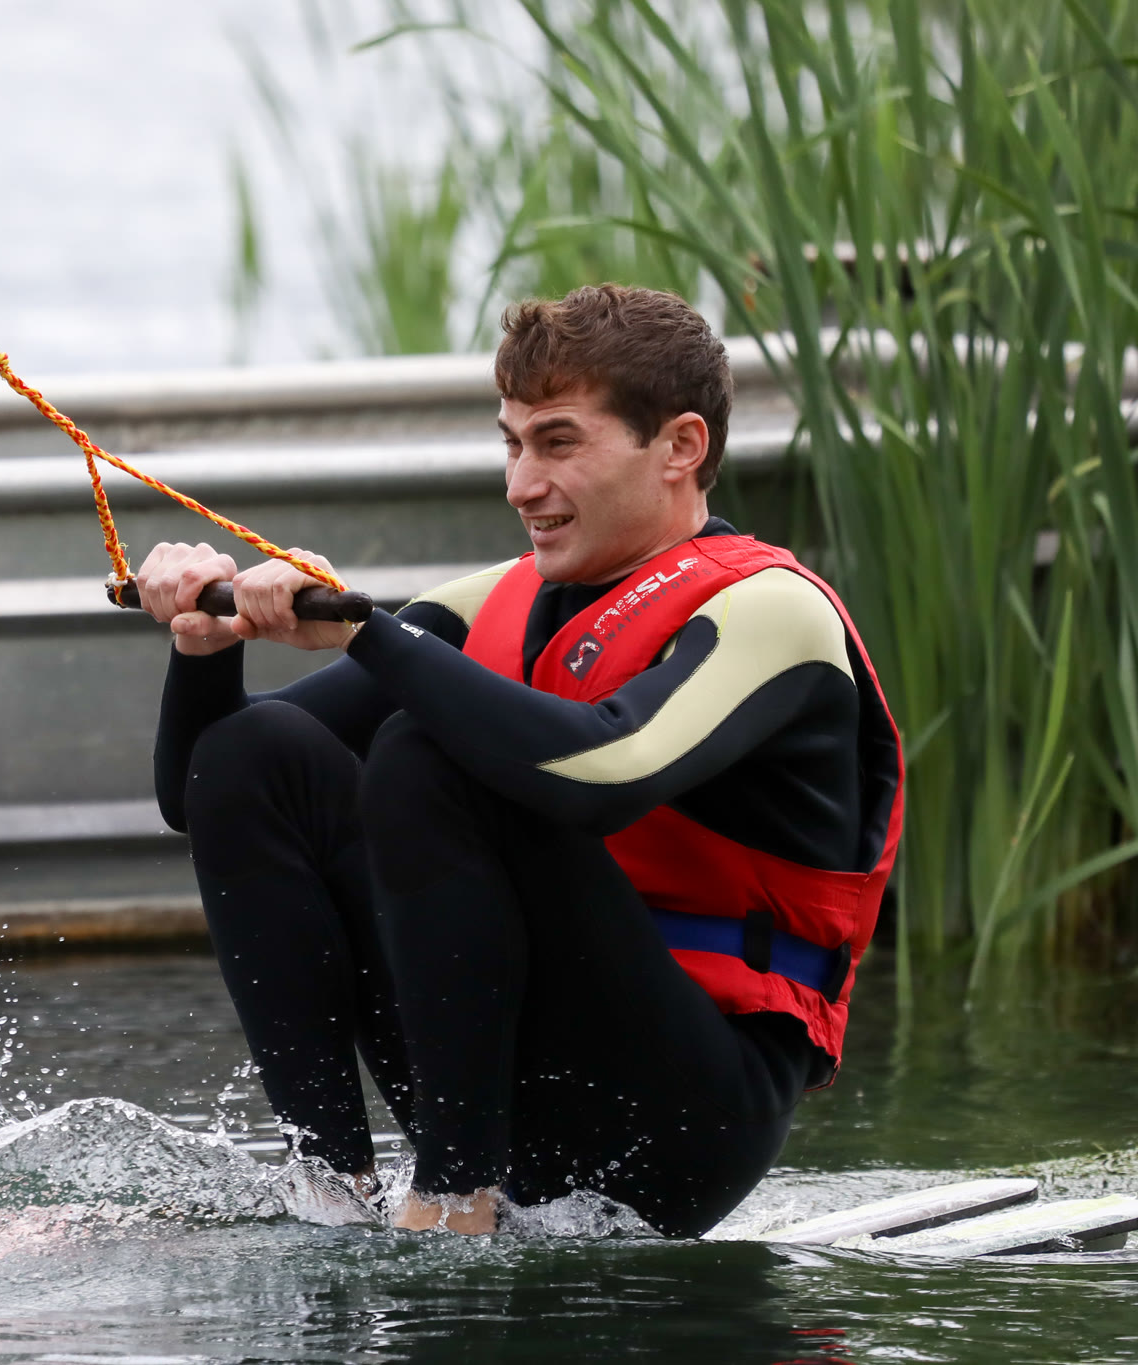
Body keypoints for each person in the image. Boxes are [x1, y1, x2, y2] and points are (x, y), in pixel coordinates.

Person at [135, 285, 903, 1237]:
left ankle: (453, 1203)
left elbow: (606, 770)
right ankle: (326, 1188)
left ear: (680, 446)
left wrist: (370, 631)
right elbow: (206, 789)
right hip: (506, 1072)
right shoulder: (489, 602)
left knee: (427, 750)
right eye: (512, 445)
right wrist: (204, 653)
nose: (521, 485)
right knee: (259, 748)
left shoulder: (775, 610)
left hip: (688, 1115)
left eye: (558, 442)